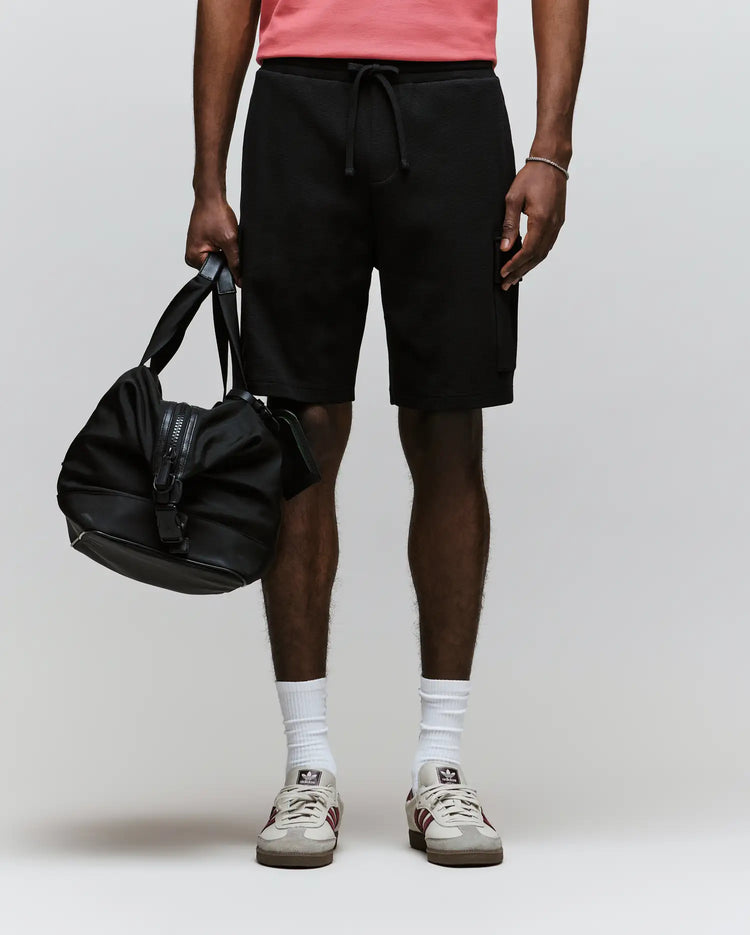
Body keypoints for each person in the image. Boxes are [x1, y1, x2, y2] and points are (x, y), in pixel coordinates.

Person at [185, 0, 588, 869]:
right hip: (297, 103)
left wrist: (551, 148)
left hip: (454, 107)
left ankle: (441, 762)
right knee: (301, 430)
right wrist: (208, 180)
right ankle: (307, 765)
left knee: (448, 426)